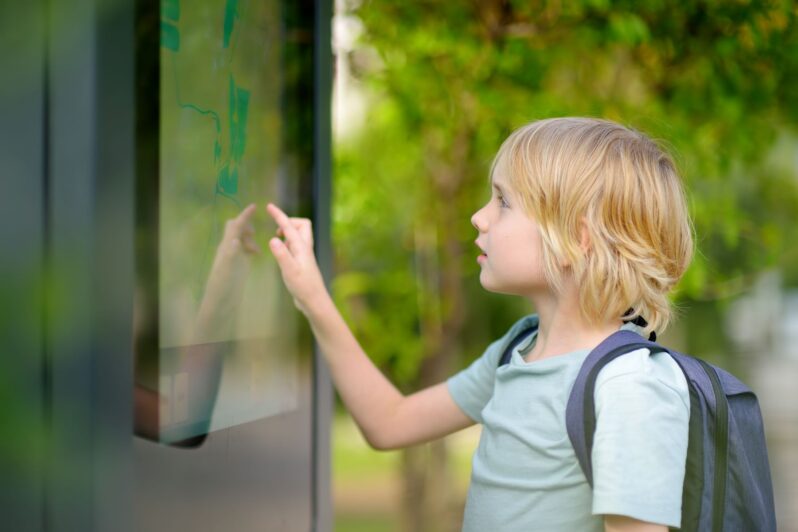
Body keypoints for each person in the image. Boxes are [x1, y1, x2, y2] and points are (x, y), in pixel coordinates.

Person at [265, 117, 694, 532]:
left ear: (576, 241)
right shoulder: (518, 351)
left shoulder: (628, 387)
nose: (479, 217)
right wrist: (314, 298)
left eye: (503, 202)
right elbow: (389, 422)